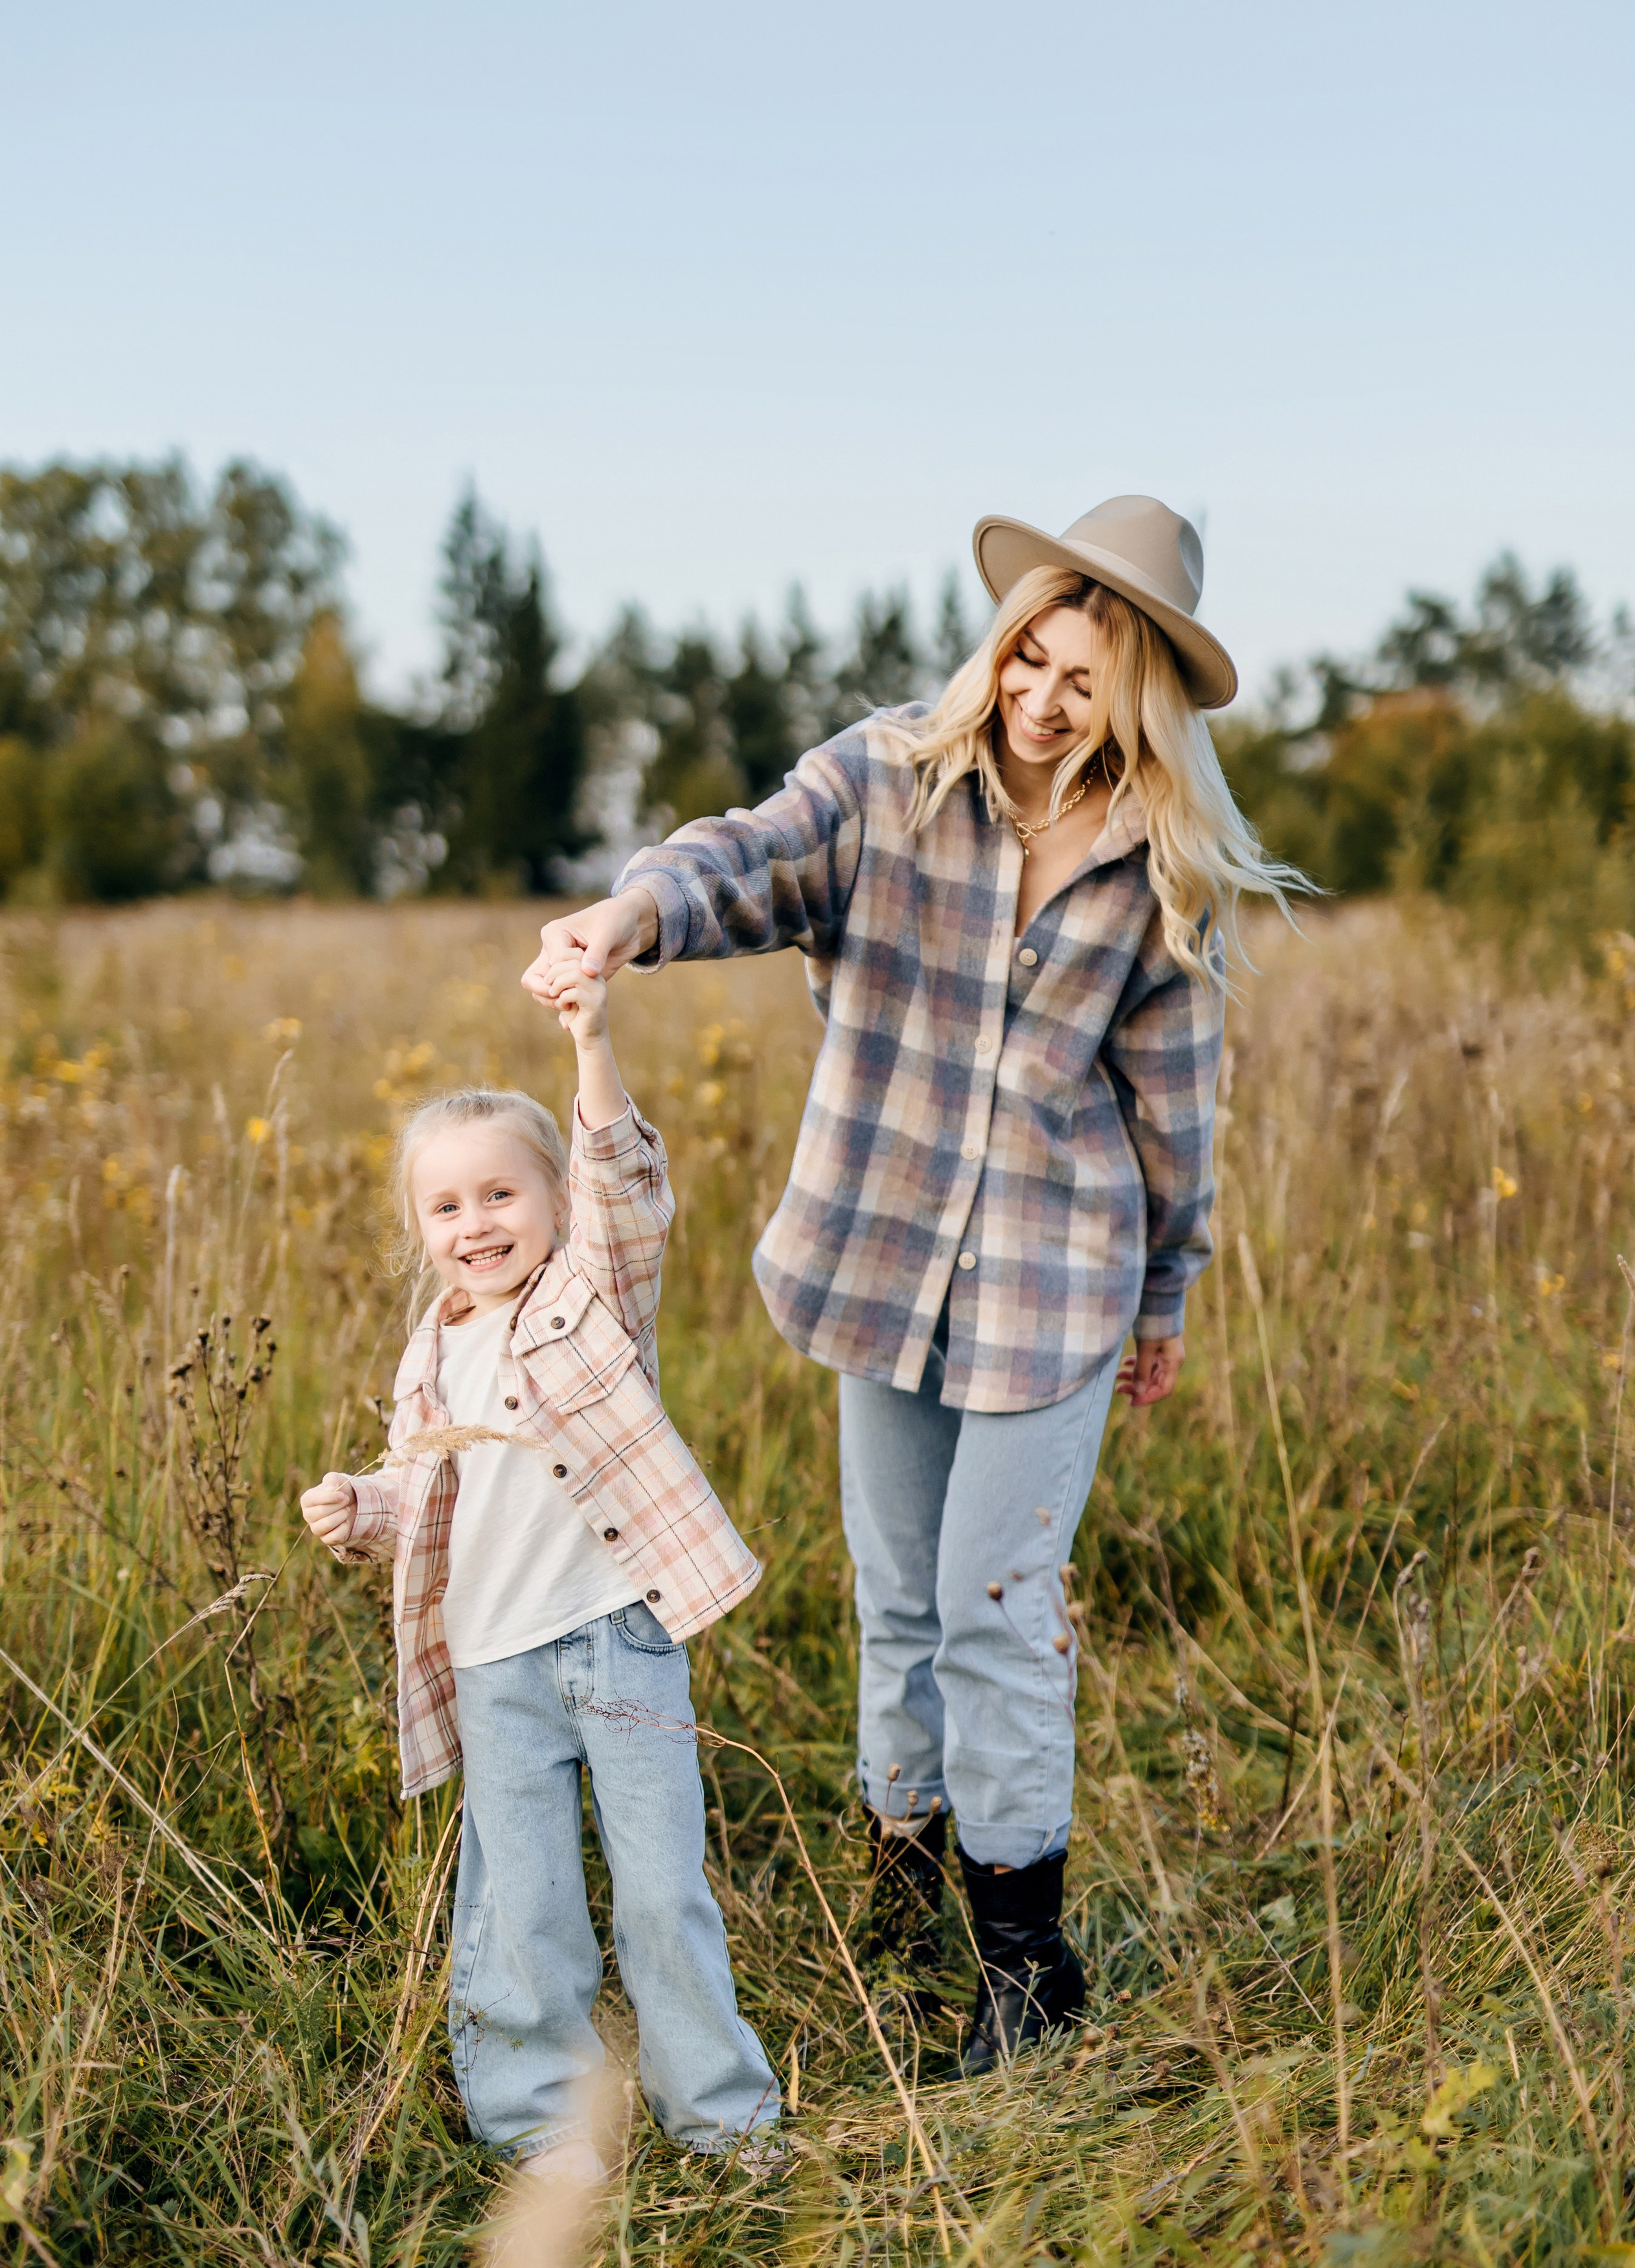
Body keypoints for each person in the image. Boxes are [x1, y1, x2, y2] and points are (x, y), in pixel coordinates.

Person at [523, 494, 1301, 2073]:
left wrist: (1165, 1298)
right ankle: (900, 1886)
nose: (1038, 697)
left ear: (1134, 695)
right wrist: (629, 913)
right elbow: (749, 856)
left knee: (991, 1611)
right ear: (998, 645)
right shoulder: (887, 779)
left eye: (1082, 679)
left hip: (1052, 1288)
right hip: (880, 1262)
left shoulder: (1157, 868)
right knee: (894, 1601)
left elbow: (1175, 1108)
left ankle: (1024, 1963)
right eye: (1028, 656)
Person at [300, 954, 780, 2170]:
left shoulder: (592, 1296)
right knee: (524, 1908)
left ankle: (722, 2120)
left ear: (554, 1202)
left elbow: (629, 1183)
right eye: (448, 1208)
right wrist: (362, 1501)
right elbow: (425, 1484)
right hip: (495, 1667)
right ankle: (543, 2129)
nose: (478, 1226)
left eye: (503, 1196)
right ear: (421, 1231)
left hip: (616, 1635)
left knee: (663, 1890)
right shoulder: (430, 1360)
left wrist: (590, 1043)